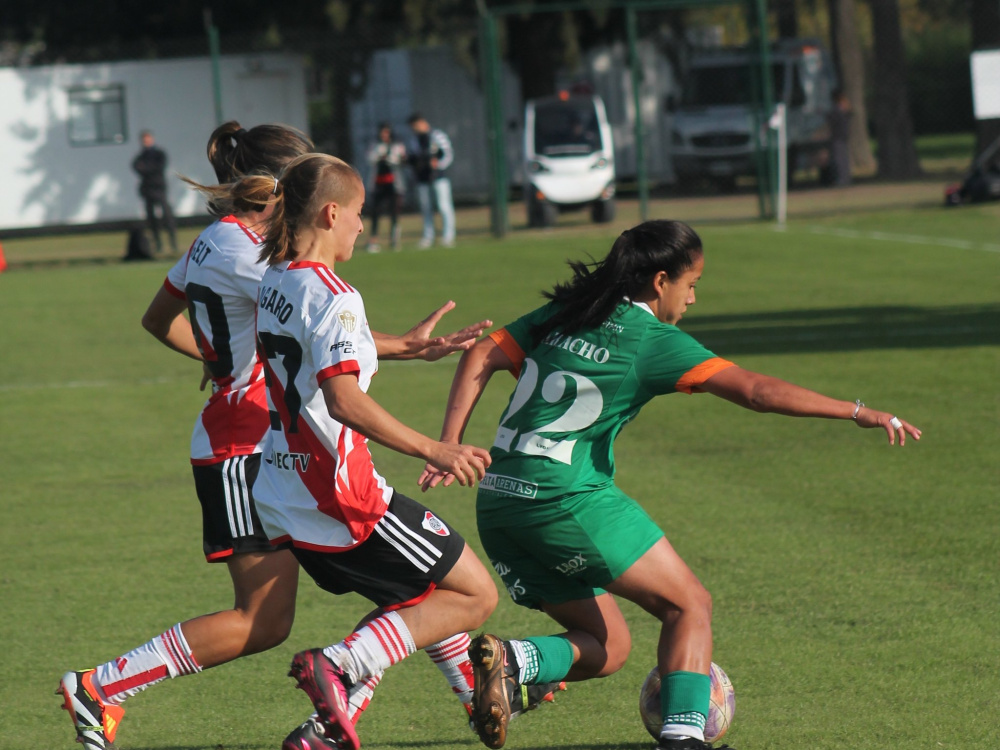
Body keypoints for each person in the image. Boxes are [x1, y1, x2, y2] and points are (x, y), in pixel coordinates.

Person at [57, 123, 491, 750]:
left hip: (265, 447)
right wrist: (234, 372)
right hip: (248, 449)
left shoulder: (217, 240)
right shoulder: (255, 255)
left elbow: (163, 318)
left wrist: (223, 362)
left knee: (396, 580)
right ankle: (101, 688)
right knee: (261, 620)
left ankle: (449, 695)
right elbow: (315, 326)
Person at [419, 220, 922, 750]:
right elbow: (756, 391)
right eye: (692, 283)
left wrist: (449, 443)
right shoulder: (650, 339)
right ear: (661, 281)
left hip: (500, 502)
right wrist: (855, 411)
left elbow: (481, 353)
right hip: (563, 498)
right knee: (688, 605)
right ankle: (683, 737)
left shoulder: (569, 312)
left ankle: (515, 660)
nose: (693, 297)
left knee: (609, 646)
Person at [244, 152, 497, 749]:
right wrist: (434, 448)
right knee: (474, 594)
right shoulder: (336, 294)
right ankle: (335, 666)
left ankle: (325, 733)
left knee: (409, 597)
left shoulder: (276, 276)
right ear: (332, 213)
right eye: (358, 213)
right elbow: (343, 400)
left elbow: (316, 344)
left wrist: (407, 346)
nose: (363, 225)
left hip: (282, 488)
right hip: (341, 496)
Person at [408, 113, 455, 248]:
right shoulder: (414, 140)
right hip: (422, 178)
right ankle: (428, 236)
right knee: (425, 207)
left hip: (439, 177)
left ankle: (448, 236)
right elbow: (412, 157)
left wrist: (438, 164)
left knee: (444, 206)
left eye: (415, 125)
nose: (415, 129)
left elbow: (448, 154)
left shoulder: (437, 135)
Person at [132, 129, 179, 254]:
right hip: (147, 189)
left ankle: (173, 242)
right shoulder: (140, 156)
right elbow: (136, 167)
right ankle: (158, 243)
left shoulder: (159, 154)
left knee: (167, 215)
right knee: (151, 218)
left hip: (159, 188)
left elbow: (158, 167)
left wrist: (146, 168)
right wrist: (148, 169)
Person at [365, 122, 406, 252]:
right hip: (378, 184)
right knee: (375, 212)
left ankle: (394, 239)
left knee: (394, 213)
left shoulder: (397, 145)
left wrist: (391, 158)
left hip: (393, 184)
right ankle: (373, 240)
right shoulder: (375, 146)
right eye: (382, 132)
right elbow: (370, 158)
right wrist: (380, 156)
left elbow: (401, 159)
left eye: (386, 132)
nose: (384, 135)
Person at [826, 89, 852, 187]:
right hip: (842, 136)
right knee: (842, 158)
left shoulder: (837, 110)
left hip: (838, 136)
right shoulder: (844, 108)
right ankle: (845, 178)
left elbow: (831, 119)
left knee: (839, 159)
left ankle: (843, 179)